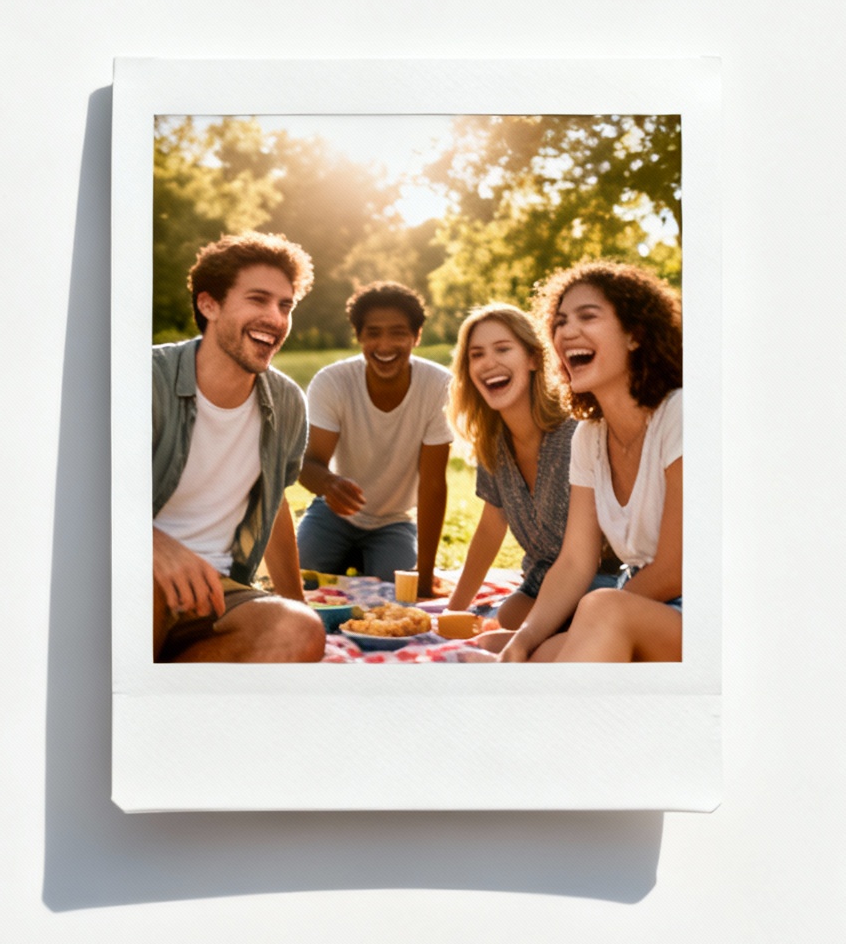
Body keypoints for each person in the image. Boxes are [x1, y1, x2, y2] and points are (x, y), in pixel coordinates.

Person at [151, 232, 325, 663]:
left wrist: (297, 601)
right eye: (259, 300)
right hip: (125, 580)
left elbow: (274, 500)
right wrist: (149, 545)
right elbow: (75, 494)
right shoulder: (145, 381)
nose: (275, 317)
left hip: (216, 594)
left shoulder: (286, 402)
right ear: (209, 304)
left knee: (299, 629)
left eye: (285, 306)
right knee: (140, 591)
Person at [498, 262, 682, 663]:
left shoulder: (680, 414)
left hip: (706, 614)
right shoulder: (589, 435)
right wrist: (525, 639)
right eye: (560, 322)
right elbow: (575, 561)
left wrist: (587, 619)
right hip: (636, 605)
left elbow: (675, 568)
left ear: (635, 335)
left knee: (600, 610)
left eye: (587, 316)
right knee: (509, 649)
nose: (567, 332)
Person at [442, 303, 602, 631]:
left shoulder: (575, 432)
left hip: (602, 581)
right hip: (540, 582)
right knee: (507, 615)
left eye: (502, 349)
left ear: (533, 359)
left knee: (521, 629)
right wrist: (451, 612)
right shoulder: (494, 442)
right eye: (476, 355)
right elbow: (490, 527)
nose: (489, 363)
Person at [294, 281, 453, 595]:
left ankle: (374, 560)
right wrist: (329, 484)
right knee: (304, 581)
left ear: (416, 336)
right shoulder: (333, 382)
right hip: (333, 515)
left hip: (393, 522)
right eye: (373, 333)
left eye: (397, 333)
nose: (385, 345)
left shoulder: (438, 386)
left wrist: (425, 571)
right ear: (359, 336)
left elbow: (433, 485)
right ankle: (335, 552)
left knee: (398, 595)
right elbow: (308, 463)